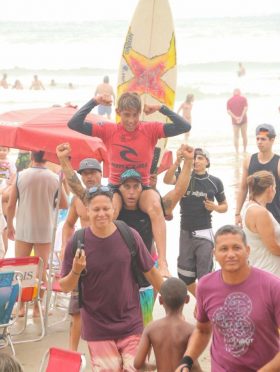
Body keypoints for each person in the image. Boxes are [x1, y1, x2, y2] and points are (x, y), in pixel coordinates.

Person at [56, 143, 193, 329]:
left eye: (135, 187)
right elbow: (80, 191)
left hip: (146, 271)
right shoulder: (111, 211)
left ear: (141, 189)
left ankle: (141, 350)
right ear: (118, 189)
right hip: (119, 273)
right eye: (126, 186)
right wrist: (64, 161)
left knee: (144, 319)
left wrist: (189, 162)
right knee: (120, 321)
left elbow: (178, 191)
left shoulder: (152, 207)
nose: (131, 191)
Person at [68, 91, 191, 277]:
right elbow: (74, 123)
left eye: (135, 115)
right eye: (127, 115)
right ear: (118, 112)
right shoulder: (108, 129)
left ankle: (163, 263)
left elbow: (184, 126)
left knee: (156, 207)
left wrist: (161, 108)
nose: (131, 120)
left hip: (141, 185)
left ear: (140, 113)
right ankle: (100, 255)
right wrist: (94, 101)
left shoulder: (151, 129)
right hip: (117, 186)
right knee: (111, 210)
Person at [59, 186, 163, 371]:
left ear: (113, 210)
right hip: (97, 326)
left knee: (134, 368)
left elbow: (151, 272)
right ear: (87, 211)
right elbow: (65, 286)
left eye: (106, 209)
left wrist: (172, 299)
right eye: (96, 209)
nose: (101, 214)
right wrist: (76, 270)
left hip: (131, 321)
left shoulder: (129, 235)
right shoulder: (77, 241)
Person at [176, 225, 280, 372]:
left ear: (247, 250)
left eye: (236, 248)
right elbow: (202, 330)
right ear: (214, 254)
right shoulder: (205, 286)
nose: (230, 254)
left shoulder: (273, 286)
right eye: (224, 249)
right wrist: (186, 360)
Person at [6, 151, 68, 316]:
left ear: (32, 157)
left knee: (21, 270)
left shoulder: (20, 176)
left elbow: (11, 205)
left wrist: (10, 225)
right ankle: (36, 307)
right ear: (46, 158)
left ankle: (20, 308)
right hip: (44, 229)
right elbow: (64, 203)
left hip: (24, 228)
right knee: (41, 270)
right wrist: (48, 203)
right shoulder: (55, 178)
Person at [164, 148, 228, 296]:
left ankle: (206, 302)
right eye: (194, 158)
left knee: (205, 276)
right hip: (185, 231)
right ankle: (201, 299)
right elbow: (167, 180)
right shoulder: (184, 177)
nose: (196, 161)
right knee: (185, 277)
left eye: (200, 158)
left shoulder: (215, 182)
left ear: (207, 161)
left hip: (204, 232)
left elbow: (225, 206)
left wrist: (215, 207)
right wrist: (177, 161)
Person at [60, 155, 102, 351]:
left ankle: (104, 348)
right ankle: (72, 351)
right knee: (77, 308)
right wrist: (64, 248)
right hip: (82, 257)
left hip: (104, 258)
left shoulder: (109, 196)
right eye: (85, 174)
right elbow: (68, 224)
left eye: (92, 172)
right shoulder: (77, 199)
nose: (89, 177)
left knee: (105, 307)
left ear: (100, 174)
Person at [134, 278, 202, 372]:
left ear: (161, 300)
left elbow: (137, 364)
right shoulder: (191, 330)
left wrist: (153, 365)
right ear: (187, 299)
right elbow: (194, 365)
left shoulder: (151, 328)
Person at [235, 123, 280, 226]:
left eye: (263, 139)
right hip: (253, 213)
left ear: (272, 140)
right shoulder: (249, 161)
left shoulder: (278, 163)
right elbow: (243, 189)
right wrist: (237, 213)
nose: (259, 142)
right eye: (257, 139)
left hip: (275, 215)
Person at [242, 170, 280, 276]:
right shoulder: (260, 212)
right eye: (275, 188)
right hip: (269, 271)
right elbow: (273, 247)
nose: (275, 191)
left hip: (260, 267)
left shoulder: (249, 206)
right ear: (270, 188)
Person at [227, 88, 248, 153]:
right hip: (243, 120)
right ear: (240, 92)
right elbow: (246, 108)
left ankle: (237, 151)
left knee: (236, 136)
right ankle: (244, 150)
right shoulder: (243, 98)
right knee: (244, 135)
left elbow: (228, 111)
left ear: (233, 93)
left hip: (234, 121)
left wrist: (235, 118)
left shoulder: (229, 100)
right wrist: (241, 117)